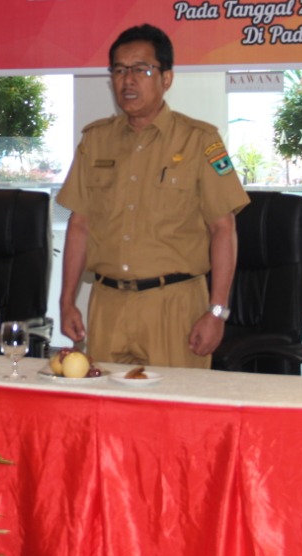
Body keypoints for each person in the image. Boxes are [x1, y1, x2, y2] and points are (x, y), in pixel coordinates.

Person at [57, 24, 250, 369]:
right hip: (107, 305)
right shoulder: (95, 141)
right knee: (107, 412)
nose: (127, 81)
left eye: (141, 70)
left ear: (166, 79)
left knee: (175, 414)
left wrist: (217, 312)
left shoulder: (199, 140)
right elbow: (80, 225)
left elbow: (223, 228)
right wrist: (67, 300)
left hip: (174, 307)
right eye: (118, 70)